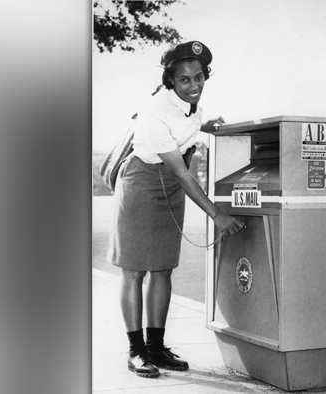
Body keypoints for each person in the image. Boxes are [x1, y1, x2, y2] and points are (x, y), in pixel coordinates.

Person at [106, 41, 245, 378]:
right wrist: (217, 214)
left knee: (163, 268)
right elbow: (183, 173)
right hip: (142, 183)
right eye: (185, 80)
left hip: (170, 183)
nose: (194, 86)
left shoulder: (191, 104)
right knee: (135, 270)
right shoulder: (155, 109)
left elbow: (183, 136)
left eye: (199, 77)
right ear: (170, 80)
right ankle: (136, 351)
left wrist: (205, 125)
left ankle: (156, 347)